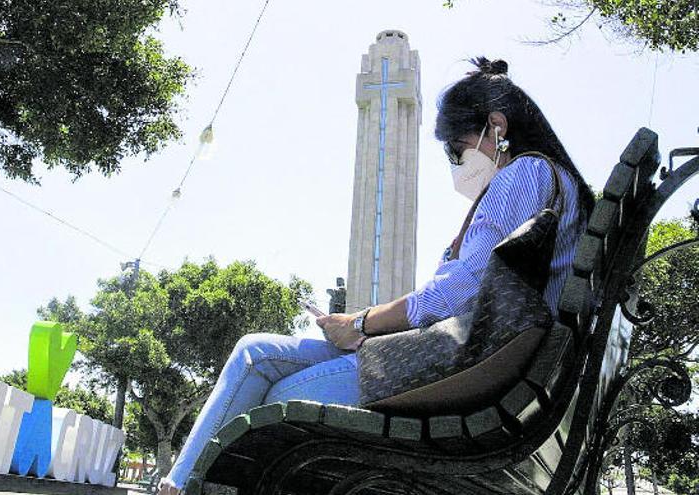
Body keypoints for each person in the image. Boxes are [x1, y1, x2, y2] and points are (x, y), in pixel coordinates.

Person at [158, 56, 596, 494]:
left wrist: (361, 322)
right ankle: (177, 488)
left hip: (465, 367)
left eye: (458, 148)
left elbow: (456, 295)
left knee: (274, 398)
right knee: (254, 352)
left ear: (496, 128)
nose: (457, 164)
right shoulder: (558, 184)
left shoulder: (523, 174)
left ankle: (177, 489)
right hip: (494, 369)